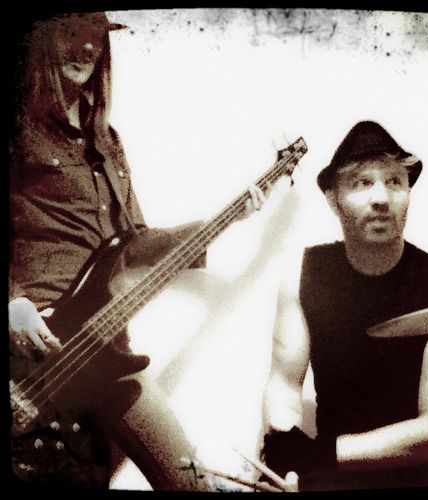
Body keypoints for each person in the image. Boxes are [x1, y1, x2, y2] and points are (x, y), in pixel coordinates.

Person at [9, 11, 274, 490]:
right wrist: (11, 302)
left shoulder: (107, 141)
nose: (86, 48)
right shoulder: (18, 129)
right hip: (32, 353)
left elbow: (135, 245)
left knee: (191, 481)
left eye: (96, 38)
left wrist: (227, 218)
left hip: (105, 347)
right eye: (73, 32)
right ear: (44, 38)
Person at [261, 120, 428, 491]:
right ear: (333, 199)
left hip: (424, 475)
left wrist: (321, 454)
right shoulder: (302, 273)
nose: (381, 198)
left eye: (394, 181)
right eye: (362, 182)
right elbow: (284, 385)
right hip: (334, 476)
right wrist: (285, 451)